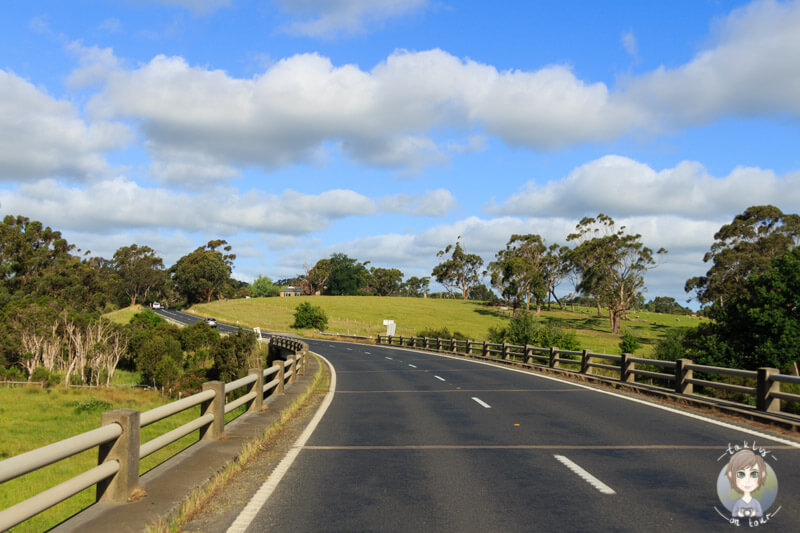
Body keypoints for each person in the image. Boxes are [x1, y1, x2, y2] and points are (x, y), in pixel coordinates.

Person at [725, 449, 767, 518]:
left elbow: (759, 513)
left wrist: (754, 513)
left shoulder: (755, 502)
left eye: (754, 474)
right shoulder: (739, 502)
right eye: (741, 474)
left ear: (762, 475)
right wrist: (739, 513)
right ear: (731, 475)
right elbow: (734, 513)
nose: (747, 480)